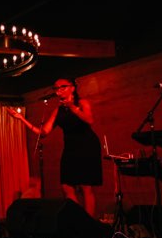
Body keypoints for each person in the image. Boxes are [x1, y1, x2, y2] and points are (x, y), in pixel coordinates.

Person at [10, 77, 102, 217]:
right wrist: (21, 119)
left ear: (72, 88)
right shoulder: (58, 110)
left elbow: (89, 119)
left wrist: (72, 107)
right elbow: (43, 132)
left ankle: (89, 221)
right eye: (56, 88)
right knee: (66, 186)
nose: (59, 91)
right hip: (71, 148)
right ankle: (78, 219)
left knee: (86, 186)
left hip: (87, 146)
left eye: (62, 87)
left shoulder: (82, 103)